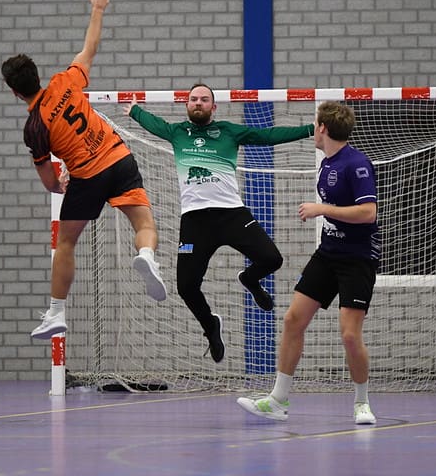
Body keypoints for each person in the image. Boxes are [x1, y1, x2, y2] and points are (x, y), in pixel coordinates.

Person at [1, 0, 166, 341]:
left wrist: (59, 182)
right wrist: (98, 7)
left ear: (14, 92)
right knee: (144, 223)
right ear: (38, 76)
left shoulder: (35, 128)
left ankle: (56, 312)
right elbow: (90, 47)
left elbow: (49, 181)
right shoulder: (65, 82)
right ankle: (147, 255)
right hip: (119, 158)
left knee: (66, 243)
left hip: (88, 178)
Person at [123, 85, 314, 363]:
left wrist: (310, 129)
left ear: (214, 107)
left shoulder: (228, 131)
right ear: (187, 105)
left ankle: (249, 279)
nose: (198, 103)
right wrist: (135, 111)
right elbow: (155, 124)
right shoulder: (177, 132)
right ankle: (210, 325)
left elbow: (268, 136)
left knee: (272, 259)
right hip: (195, 221)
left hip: (232, 215)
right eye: (193, 99)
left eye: (204, 100)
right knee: (186, 287)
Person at [236, 101, 380, 425]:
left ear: (323, 128)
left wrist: (321, 209)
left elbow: (368, 213)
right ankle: (277, 400)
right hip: (328, 253)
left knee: (350, 335)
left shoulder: (357, 164)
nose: (313, 131)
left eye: (315, 125)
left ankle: (362, 403)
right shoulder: (327, 163)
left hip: (357, 259)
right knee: (293, 320)